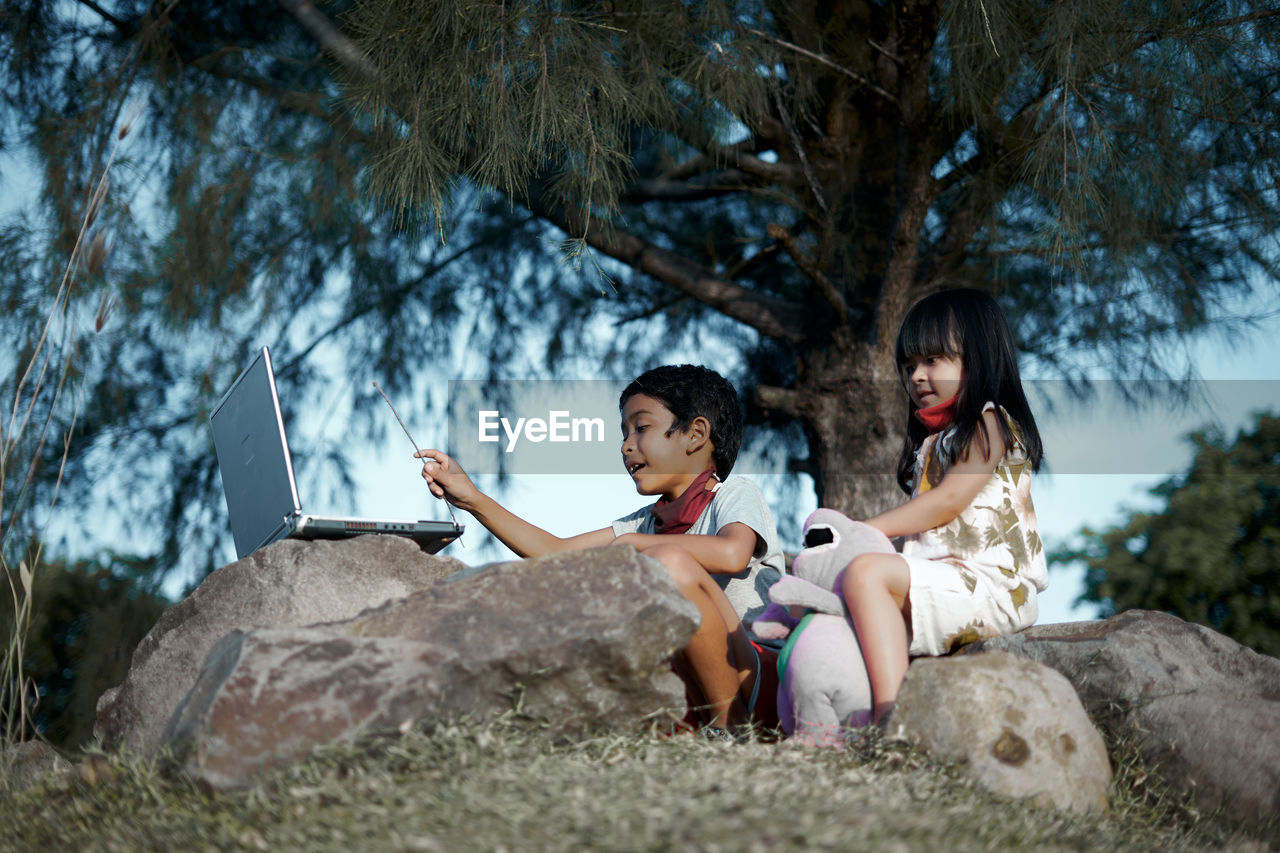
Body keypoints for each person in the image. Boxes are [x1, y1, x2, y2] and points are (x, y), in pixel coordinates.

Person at [414, 365, 784, 731]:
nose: (625, 445)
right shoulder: (644, 523)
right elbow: (555, 554)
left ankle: (731, 730)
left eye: (641, 428)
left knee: (667, 563)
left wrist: (640, 545)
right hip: (687, 683)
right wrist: (473, 498)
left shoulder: (733, 494)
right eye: (624, 433)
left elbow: (733, 553)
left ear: (696, 434)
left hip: (759, 678)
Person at [841, 288, 1046, 724]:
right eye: (910, 365)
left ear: (978, 359)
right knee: (846, 589)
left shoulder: (989, 422)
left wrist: (863, 530)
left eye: (933, 360)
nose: (916, 376)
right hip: (950, 579)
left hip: (991, 586)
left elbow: (949, 501)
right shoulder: (933, 444)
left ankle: (891, 719)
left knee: (864, 572)